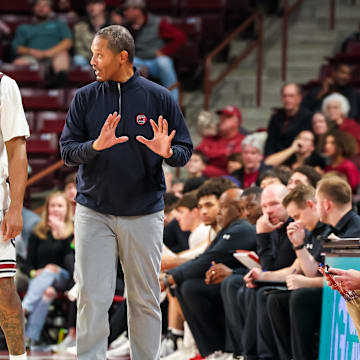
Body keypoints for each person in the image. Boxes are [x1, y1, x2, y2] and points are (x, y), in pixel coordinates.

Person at [59, 25, 193, 360]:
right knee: (92, 295)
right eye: (92, 52)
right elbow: (66, 151)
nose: (92, 60)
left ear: (122, 57)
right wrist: (95, 146)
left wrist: (167, 153)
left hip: (144, 211)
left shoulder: (159, 97)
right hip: (94, 211)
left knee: (144, 297)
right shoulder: (85, 98)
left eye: (98, 53)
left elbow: (184, 151)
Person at [162, 188, 257, 359]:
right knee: (188, 286)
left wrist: (171, 276)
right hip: (243, 277)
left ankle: (237, 351)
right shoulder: (227, 229)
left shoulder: (242, 228)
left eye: (223, 207)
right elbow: (205, 258)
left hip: (252, 279)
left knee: (227, 283)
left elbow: (207, 259)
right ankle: (211, 351)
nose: (218, 211)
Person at [267, 184, 329, 360]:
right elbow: (303, 269)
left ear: (311, 205)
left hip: (340, 291)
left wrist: (305, 282)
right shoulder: (309, 231)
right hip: (323, 285)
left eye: (296, 216)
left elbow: (329, 277)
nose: (295, 222)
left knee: (300, 296)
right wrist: (298, 245)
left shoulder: (331, 229)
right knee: (272, 297)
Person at [0, 72, 30, 359]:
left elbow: (17, 150)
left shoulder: (3, 85)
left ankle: (19, 358)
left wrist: (16, 207)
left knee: (3, 290)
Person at [21, 191, 74, 351]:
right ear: (47, 208)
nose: (56, 209)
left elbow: (71, 260)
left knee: (51, 270)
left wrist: (62, 234)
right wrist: (33, 273)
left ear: (67, 209)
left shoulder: (73, 231)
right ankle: (30, 338)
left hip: (66, 279)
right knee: (47, 293)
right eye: (53, 205)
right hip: (41, 282)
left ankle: (24, 308)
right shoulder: (39, 232)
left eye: (60, 206)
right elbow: (28, 263)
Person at [121, 0, 186, 102]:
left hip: (155, 60)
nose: (124, 13)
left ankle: (174, 104)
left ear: (137, 11)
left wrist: (164, 51)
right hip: (137, 60)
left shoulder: (157, 23)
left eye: (126, 10)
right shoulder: (126, 26)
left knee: (164, 62)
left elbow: (180, 37)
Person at [11, 0, 72, 88]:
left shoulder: (59, 24)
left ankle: (59, 86)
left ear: (50, 9)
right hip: (32, 58)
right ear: (33, 8)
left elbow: (68, 42)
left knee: (63, 55)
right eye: (38, 5)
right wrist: (32, 52)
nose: (41, 8)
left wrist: (49, 53)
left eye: (45, 5)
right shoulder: (23, 27)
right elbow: (16, 47)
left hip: (54, 56)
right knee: (18, 62)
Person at [197, 105, 247, 177]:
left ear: (237, 122)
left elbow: (234, 166)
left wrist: (208, 155)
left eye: (227, 117)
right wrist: (224, 153)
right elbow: (196, 156)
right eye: (221, 116)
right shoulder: (210, 138)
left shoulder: (243, 140)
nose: (222, 119)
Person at [264, 83, 312, 157]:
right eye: (284, 96)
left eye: (291, 96)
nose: (287, 99)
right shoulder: (276, 117)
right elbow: (270, 143)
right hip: (276, 159)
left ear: (299, 98)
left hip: (296, 158)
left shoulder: (307, 117)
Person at [73, 0, 111, 66]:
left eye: (95, 3)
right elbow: (79, 48)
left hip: (108, 59)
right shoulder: (80, 27)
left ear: (103, 6)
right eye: (88, 4)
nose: (91, 7)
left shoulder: (113, 27)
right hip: (87, 59)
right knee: (78, 59)